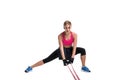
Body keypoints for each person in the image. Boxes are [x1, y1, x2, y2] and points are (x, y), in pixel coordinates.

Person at [25, 20, 91, 73]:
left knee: (82, 50)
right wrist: (64, 59)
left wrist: (72, 57)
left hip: (70, 49)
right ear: (64, 28)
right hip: (62, 50)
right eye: (66, 28)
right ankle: (31, 67)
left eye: (69, 27)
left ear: (71, 27)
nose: (67, 29)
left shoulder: (74, 35)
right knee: (47, 59)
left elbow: (74, 46)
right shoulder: (60, 36)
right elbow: (61, 48)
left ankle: (83, 67)